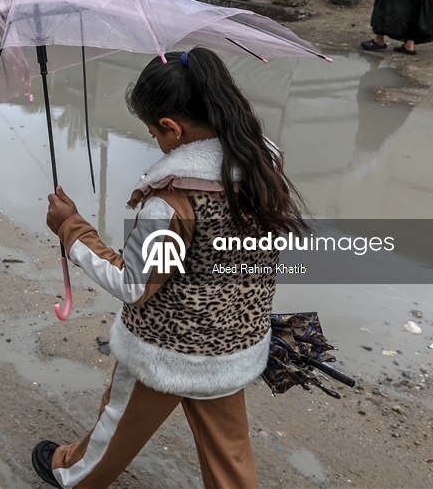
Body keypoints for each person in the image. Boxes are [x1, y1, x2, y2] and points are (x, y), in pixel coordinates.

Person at [35, 47, 309, 489]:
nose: (155, 143)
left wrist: (71, 230)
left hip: (167, 348)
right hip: (233, 345)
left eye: (153, 133)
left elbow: (133, 285)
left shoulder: (172, 201)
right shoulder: (264, 168)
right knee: (230, 454)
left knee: (117, 426)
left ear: (171, 127)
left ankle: (71, 474)